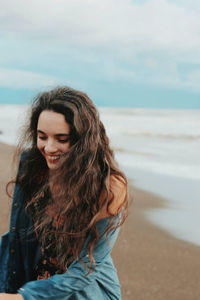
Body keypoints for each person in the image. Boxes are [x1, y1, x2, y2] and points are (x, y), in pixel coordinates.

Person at [0, 86, 128, 299]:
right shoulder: (33, 167)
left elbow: (86, 269)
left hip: (83, 290)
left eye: (62, 139)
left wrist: (24, 297)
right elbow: (18, 238)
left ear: (83, 139)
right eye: (42, 136)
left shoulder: (109, 187)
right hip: (35, 282)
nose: (49, 148)